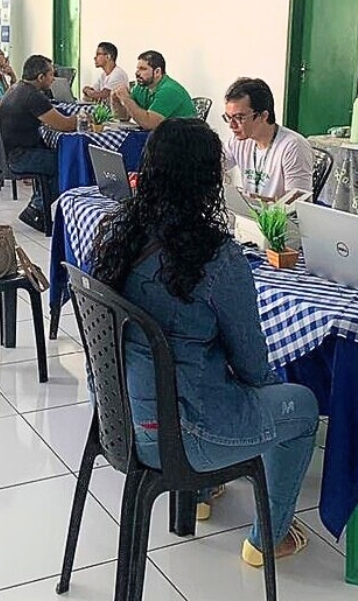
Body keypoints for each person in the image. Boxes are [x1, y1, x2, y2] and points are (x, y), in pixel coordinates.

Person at [91, 117, 319, 566]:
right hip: (183, 438)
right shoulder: (216, 257)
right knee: (302, 406)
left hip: (118, 420)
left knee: (200, 374)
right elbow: (251, 364)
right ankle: (268, 537)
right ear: (209, 182)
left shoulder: (117, 234)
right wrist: (268, 396)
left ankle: (199, 493)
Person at [0, 55, 77, 233]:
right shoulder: (33, 97)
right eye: (51, 74)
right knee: (68, 164)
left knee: (55, 155)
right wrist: (82, 118)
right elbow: (65, 125)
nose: (54, 79)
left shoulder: (16, 88)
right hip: (18, 157)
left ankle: (38, 205)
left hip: (3, 154)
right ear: (41, 77)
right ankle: (36, 208)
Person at [223, 77, 314, 200]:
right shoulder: (238, 141)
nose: (231, 125)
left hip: (278, 213)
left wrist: (252, 201)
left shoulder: (293, 146)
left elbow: (299, 203)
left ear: (263, 116)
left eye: (239, 118)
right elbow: (212, 167)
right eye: (228, 118)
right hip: (249, 210)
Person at [111, 50, 196, 129]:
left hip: (182, 136)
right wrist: (117, 100)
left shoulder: (169, 90)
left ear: (157, 72)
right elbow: (124, 117)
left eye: (143, 69)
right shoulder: (141, 87)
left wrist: (127, 99)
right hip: (162, 135)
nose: (137, 73)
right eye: (137, 69)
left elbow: (150, 124)